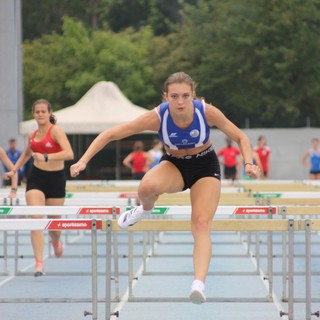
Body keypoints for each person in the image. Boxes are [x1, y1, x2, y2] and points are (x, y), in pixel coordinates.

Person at [70, 72, 261, 304]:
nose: (180, 102)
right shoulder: (157, 117)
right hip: (175, 165)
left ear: (193, 94)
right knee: (146, 187)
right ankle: (144, 209)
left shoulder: (206, 111)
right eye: (174, 96)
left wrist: (249, 163)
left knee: (201, 223)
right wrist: (83, 160)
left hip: (205, 167)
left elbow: (240, 136)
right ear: (165, 97)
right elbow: (111, 134)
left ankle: (198, 284)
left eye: (185, 96)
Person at [6, 99, 74, 277]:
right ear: (33, 114)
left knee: (54, 226)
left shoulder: (56, 131)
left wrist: (46, 156)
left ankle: (56, 242)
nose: (40, 114)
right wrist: (14, 169)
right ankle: (39, 262)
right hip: (36, 179)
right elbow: (28, 154)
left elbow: (69, 153)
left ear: (49, 113)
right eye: (37, 112)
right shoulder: (32, 135)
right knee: (36, 218)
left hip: (56, 180)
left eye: (44, 111)